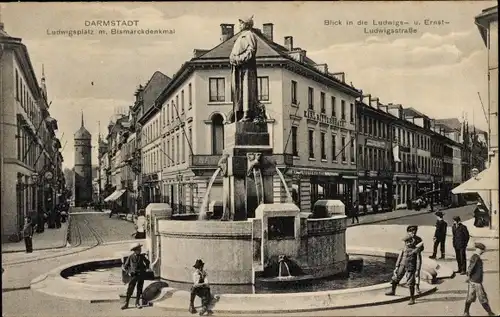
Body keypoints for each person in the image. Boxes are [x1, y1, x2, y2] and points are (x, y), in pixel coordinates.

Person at [229, 16, 258, 122]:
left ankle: (247, 114)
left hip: (247, 69)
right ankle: (241, 113)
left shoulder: (249, 35)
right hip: (238, 69)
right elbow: (234, 53)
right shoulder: (240, 37)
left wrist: (238, 59)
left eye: (241, 23)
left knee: (247, 90)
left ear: (246, 24)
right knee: (239, 92)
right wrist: (233, 59)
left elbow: (250, 51)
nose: (239, 25)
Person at [385, 234, 423, 305]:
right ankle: (393, 291)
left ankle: (412, 298)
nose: (407, 243)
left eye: (408, 241)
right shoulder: (404, 248)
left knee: (411, 283)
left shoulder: (416, 250)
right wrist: (396, 266)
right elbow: (400, 257)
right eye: (406, 242)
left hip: (411, 267)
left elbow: (418, 260)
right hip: (402, 266)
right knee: (395, 278)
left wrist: (417, 270)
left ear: (412, 241)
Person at [463, 242, 496, 316]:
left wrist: (468, 277)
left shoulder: (475, 257)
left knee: (470, 297)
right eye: (482, 250)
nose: (482, 252)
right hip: (476, 281)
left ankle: (466, 312)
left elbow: (470, 268)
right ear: (478, 249)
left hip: (473, 280)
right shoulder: (476, 257)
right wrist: (468, 276)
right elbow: (470, 268)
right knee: (482, 297)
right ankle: (490, 313)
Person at [121, 242, 150, 310]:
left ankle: (137, 303)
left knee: (139, 289)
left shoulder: (142, 256)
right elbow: (125, 266)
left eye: (140, 249)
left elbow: (147, 262)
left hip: (141, 275)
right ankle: (126, 303)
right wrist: (129, 272)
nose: (140, 250)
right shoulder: (131, 257)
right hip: (133, 276)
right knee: (130, 289)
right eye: (138, 249)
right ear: (135, 250)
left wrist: (146, 268)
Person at [407, 225, 424, 294]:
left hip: (417, 257)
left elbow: (422, 248)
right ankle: (410, 285)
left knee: (417, 273)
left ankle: (417, 287)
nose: (413, 234)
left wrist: (418, 249)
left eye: (415, 232)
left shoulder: (418, 239)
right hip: (409, 258)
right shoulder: (407, 239)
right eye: (412, 232)